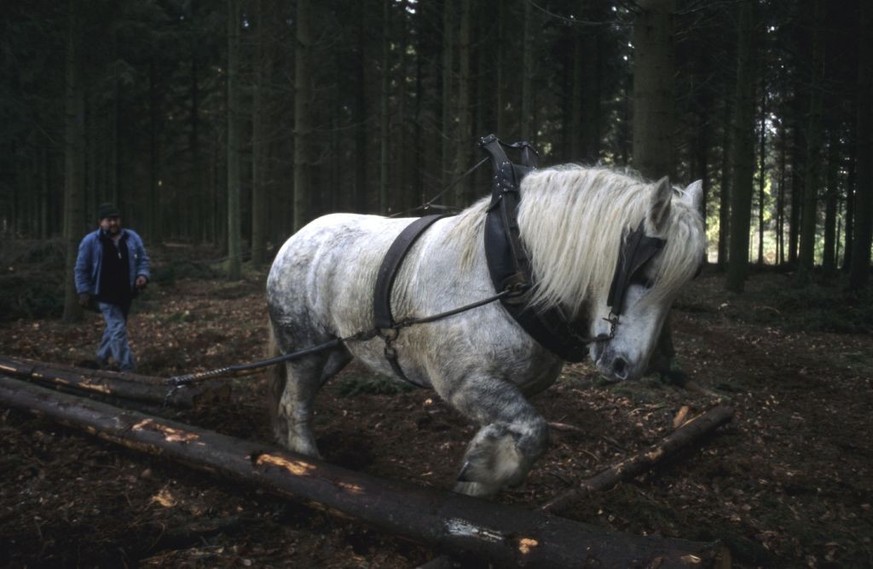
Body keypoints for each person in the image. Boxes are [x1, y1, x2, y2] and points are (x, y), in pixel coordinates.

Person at [74, 202, 150, 371]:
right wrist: (83, 291)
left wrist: (142, 276)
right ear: (100, 222)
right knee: (117, 329)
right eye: (109, 220)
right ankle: (128, 368)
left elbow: (143, 260)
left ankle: (100, 359)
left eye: (116, 219)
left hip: (126, 293)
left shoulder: (132, 237)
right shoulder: (90, 241)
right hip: (104, 294)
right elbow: (81, 268)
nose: (113, 223)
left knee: (113, 328)